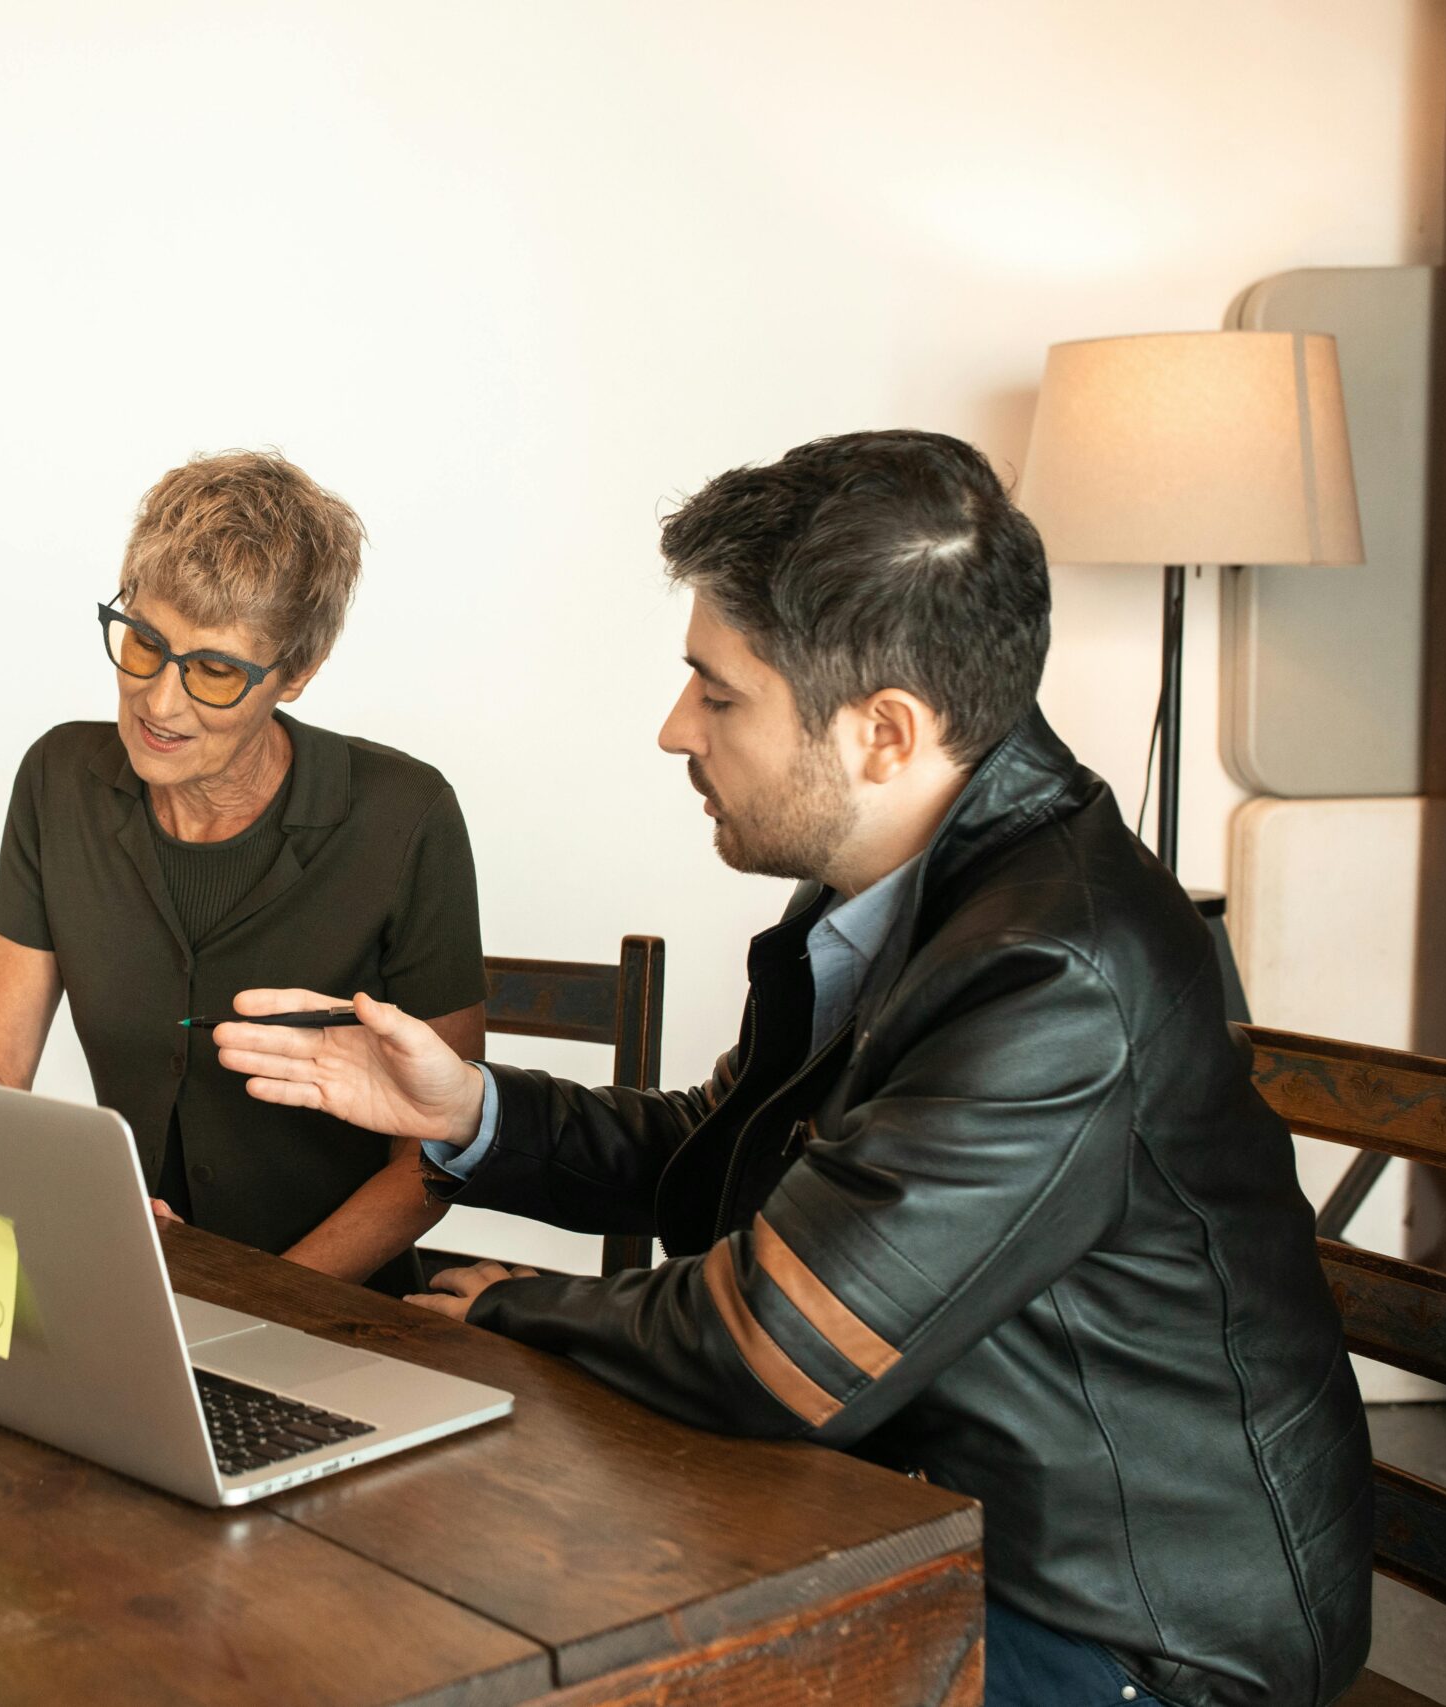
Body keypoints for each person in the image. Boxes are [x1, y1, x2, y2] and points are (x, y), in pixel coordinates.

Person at [215, 431, 1370, 1706]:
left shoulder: (1055, 970)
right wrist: (470, 1112)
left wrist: (504, 1308)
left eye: (718, 694)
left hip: (1132, 1642)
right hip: (922, 1516)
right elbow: (716, 1152)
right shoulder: (906, 894)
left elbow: (782, 1343)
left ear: (883, 732)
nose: (673, 730)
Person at [0, 451, 487, 1295]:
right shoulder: (59, 780)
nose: (159, 703)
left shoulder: (404, 818)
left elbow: (432, 1160)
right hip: (119, 1288)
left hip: (327, 1311)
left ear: (299, 673)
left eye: (216, 670)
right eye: (145, 642)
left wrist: (250, 1300)